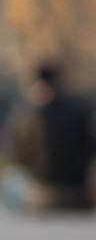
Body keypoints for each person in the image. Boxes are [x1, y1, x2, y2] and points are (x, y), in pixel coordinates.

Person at [11, 63, 96, 212]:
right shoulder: (80, 110)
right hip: (79, 191)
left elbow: (20, 157)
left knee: (9, 180)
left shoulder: (31, 114)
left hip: (45, 192)